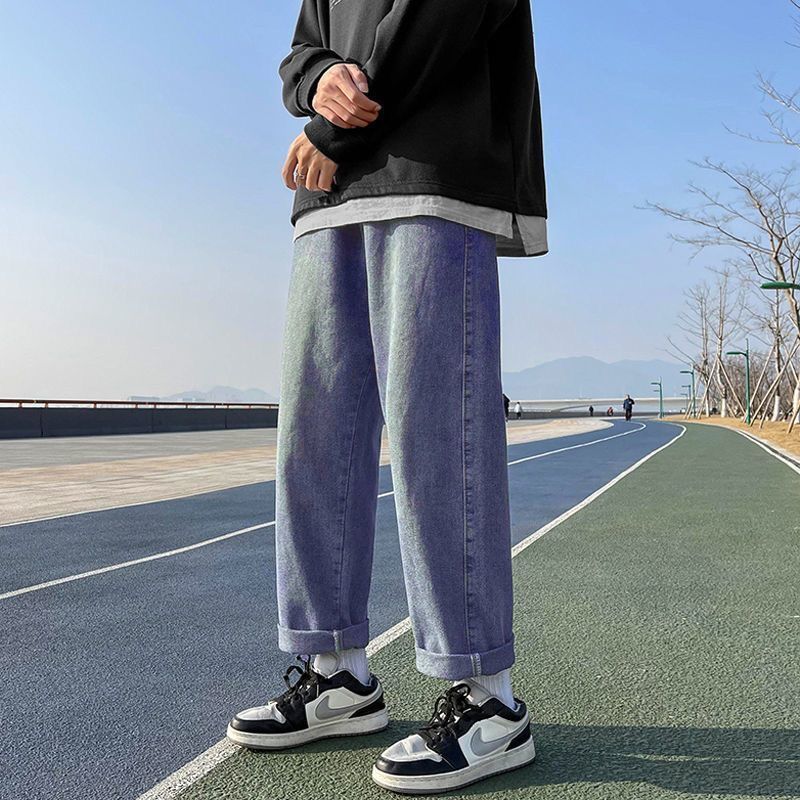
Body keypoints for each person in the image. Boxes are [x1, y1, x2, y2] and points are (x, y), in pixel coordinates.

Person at [228, 0, 547, 793]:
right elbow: (303, 47)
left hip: (429, 175)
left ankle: (488, 699)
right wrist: (316, 81)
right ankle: (335, 674)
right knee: (314, 442)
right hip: (328, 202)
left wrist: (332, 129)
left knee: (437, 435)